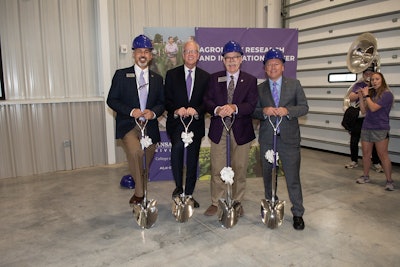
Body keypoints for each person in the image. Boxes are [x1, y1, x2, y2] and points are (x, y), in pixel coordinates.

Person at [252, 48, 308, 230]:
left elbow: (304, 107)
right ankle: (271, 205)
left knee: (293, 178)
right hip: (268, 138)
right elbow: (253, 111)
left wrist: (288, 111)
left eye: (276, 64)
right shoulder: (259, 89)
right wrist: (263, 111)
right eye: (269, 64)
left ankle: (298, 212)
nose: (273, 67)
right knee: (268, 176)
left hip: (289, 140)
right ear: (265, 69)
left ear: (283, 67)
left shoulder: (295, 84)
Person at [107, 34, 165, 206]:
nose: (143, 54)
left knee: (144, 160)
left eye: (146, 51)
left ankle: (140, 182)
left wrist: (153, 113)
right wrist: (132, 111)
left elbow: (162, 103)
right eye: (139, 51)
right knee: (135, 152)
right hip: (129, 125)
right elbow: (112, 100)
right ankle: (140, 193)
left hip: (150, 127)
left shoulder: (157, 79)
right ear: (133, 54)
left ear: (151, 55)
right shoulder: (121, 75)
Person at [203, 40, 258, 217]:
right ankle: (216, 202)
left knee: (239, 169)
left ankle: (237, 201)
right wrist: (218, 109)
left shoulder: (250, 80)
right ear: (223, 60)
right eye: (228, 58)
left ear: (241, 59)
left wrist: (234, 108)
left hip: (241, 131)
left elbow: (251, 105)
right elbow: (207, 101)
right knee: (217, 168)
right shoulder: (214, 78)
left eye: (235, 57)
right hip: (219, 130)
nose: (232, 61)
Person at [164, 40, 210, 208]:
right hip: (177, 123)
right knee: (176, 151)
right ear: (183, 55)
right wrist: (177, 109)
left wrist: (196, 110)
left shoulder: (206, 77)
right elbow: (165, 100)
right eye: (187, 52)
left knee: (192, 159)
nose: (191, 54)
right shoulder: (171, 74)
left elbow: (208, 102)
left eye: (194, 52)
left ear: (198, 56)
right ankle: (178, 188)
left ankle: (189, 194)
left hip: (195, 124)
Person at [356, 72, 395, 191]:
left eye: (377, 79)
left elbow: (373, 108)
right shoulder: (371, 94)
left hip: (380, 128)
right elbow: (363, 111)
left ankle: (389, 181)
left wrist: (366, 95)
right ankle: (366, 176)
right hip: (367, 127)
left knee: (383, 156)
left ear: (382, 80)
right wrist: (361, 97)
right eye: (372, 80)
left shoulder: (387, 94)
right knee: (366, 155)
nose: (374, 81)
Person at [344, 66, 383, 172]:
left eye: (370, 73)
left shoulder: (377, 85)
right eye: (366, 73)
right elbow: (350, 97)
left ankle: (376, 162)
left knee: (374, 140)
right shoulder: (359, 84)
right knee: (354, 139)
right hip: (361, 115)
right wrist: (360, 93)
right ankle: (354, 161)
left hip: (373, 115)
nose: (368, 75)